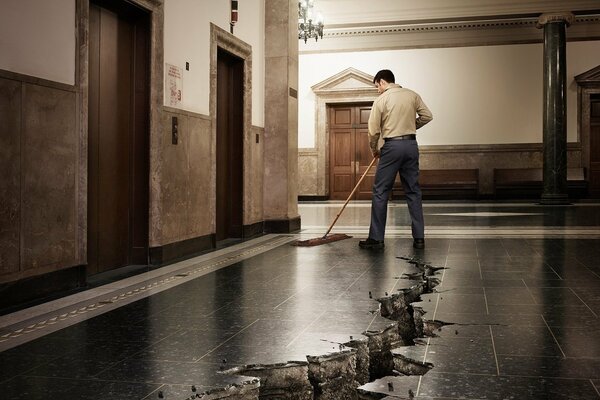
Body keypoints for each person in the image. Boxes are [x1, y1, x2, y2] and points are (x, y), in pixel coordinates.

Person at [359, 69, 433, 250]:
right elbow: (427, 116)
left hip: (391, 148)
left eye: (377, 86)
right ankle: (419, 238)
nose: (377, 90)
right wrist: (409, 126)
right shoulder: (412, 95)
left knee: (380, 191)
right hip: (410, 145)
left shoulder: (381, 100)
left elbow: (373, 130)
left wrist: (374, 149)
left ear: (382, 82)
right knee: (413, 191)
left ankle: (376, 239)